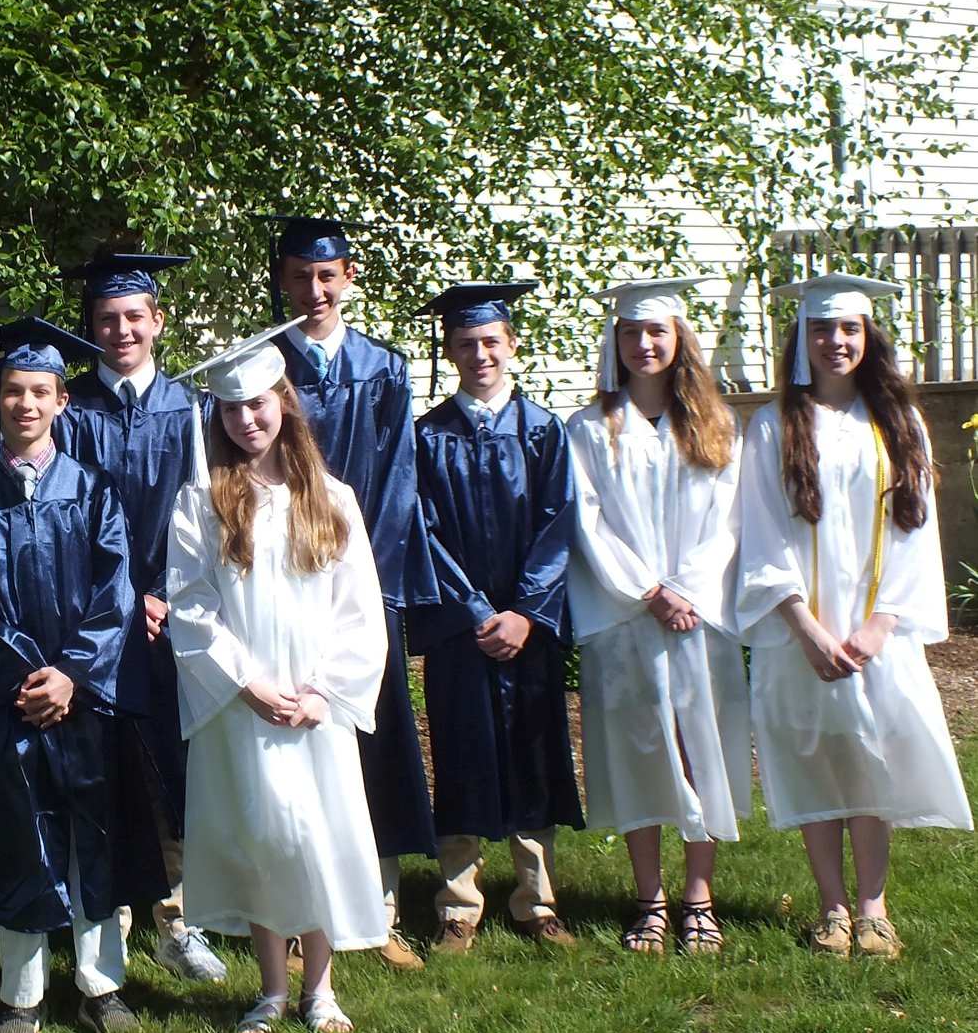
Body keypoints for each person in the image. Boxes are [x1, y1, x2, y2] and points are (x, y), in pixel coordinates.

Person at [0, 318, 166, 1033]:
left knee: (89, 839)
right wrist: (23, 680)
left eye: (39, 391)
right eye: (12, 391)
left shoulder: (93, 490)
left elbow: (116, 589)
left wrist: (70, 673)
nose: (25, 404)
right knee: (17, 840)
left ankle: (102, 985)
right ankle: (20, 996)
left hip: (83, 700)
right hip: (11, 705)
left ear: (64, 401)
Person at [737, 272, 971, 959]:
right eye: (821, 328)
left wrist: (882, 625)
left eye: (849, 329)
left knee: (870, 757)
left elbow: (916, 531)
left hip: (877, 631)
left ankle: (874, 906)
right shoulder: (772, 425)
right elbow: (761, 530)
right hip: (799, 634)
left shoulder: (899, 421)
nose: (835, 341)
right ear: (801, 338)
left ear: (869, 337)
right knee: (816, 757)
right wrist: (803, 627)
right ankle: (830, 907)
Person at [166, 327, 390, 1033]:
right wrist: (249, 683)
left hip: (315, 702)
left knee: (315, 836)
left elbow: (360, 612)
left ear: (284, 404)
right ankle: (270, 987)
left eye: (259, 405)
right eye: (232, 410)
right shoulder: (203, 501)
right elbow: (193, 605)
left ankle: (319, 989)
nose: (247, 420)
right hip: (245, 700)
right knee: (260, 838)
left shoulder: (331, 498)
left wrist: (324, 691)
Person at [264, 214, 436, 968]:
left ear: (349, 277)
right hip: (278, 587)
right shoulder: (263, 369)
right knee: (296, 746)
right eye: (299, 275)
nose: (313, 289)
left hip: (362, 588)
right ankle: (299, 916)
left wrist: (376, 588)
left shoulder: (383, 367)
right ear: (282, 279)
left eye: (326, 275)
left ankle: (380, 905)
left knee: (372, 741)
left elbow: (399, 481)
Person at [53, 248, 226, 984]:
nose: (120, 330)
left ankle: (179, 919)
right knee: (106, 769)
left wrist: (164, 596)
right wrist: (121, 601)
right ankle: (111, 921)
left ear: (158, 321)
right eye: (105, 319)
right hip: (98, 619)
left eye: (132, 316)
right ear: (90, 329)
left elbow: (208, 519)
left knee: (177, 769)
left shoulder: (193, 410)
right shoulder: (72, 412)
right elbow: (66, 524)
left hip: (171, 618)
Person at [567, 278, 752, 954]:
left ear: (679, 342)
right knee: (639, 750)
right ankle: (649, 896)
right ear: (613, 343)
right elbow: (586, 521)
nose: (644, 344)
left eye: (657, 333)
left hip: (697, 617)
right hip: (628, 615)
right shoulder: (589, 429)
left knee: (703, 748)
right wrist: (649, 590)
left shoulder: (718, 424)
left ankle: (698, 895)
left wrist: (688, 591)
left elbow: (730, 523)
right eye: (630, 334)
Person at [410, 283, 581, 952]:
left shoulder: (542, 429)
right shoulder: (428, 437)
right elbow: (423, 532)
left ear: (511, 344)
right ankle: (458, 903)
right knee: (461, 754)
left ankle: (537, 900)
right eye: (465, 343)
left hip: (527, 633)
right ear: (450, 350)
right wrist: (478, 611)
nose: (479, 353)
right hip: (462, 632)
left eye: (490, 341)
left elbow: (557, 524)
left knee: (534, 754)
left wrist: (526, 614)